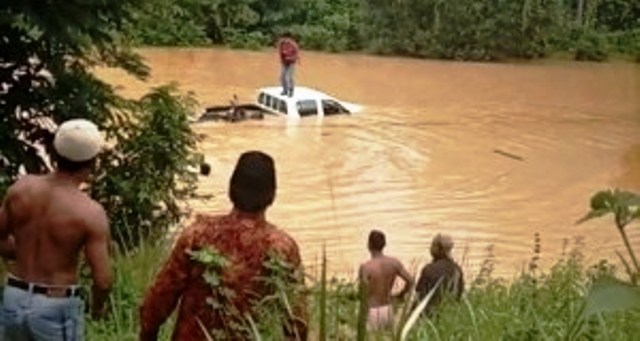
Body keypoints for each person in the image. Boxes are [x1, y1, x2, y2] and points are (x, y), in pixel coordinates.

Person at [139, 151, 308, 341]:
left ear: (230, 189)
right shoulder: (281, 248)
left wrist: (147, 334)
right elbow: (296, 320)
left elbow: (160, 298)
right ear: (272, 196)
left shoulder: (197, 236)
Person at [0, 118, 113, 340]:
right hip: (55, 303)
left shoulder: (21, 188)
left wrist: (22, 251)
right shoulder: (89, 212)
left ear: (54, 154)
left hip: (14, 296)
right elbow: (103, 280)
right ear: (93, 163)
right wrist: (98, 309)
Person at [358, 230, 414, 330]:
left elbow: (362, 295)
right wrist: (401, 295)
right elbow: (410, 281)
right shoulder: (394, 263)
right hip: (388, 309)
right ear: (384, 244)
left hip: (372, 311)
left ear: (369, 245)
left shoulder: (366, 267)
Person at [414, 234, 464, 317]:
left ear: (439, 249)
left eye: (433, 245)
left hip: (430, 313)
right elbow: (459, 293)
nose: (430, 248)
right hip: (450, 314)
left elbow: (420, 295)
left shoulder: (429, 269)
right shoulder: (457, 269)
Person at [277, 32, 300, 97]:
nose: (284, 40)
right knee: (282, 76)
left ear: (289, 38)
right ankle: (285, 90)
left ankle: (291, 91)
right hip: (284, 62)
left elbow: (296, 55)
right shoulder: (281, 44)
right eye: (283, 38)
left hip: (291, 62)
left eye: (286, 38)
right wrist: (282, 60)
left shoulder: (294, 45)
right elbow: (280, 53)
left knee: (289, 77)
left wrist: (290, 58)